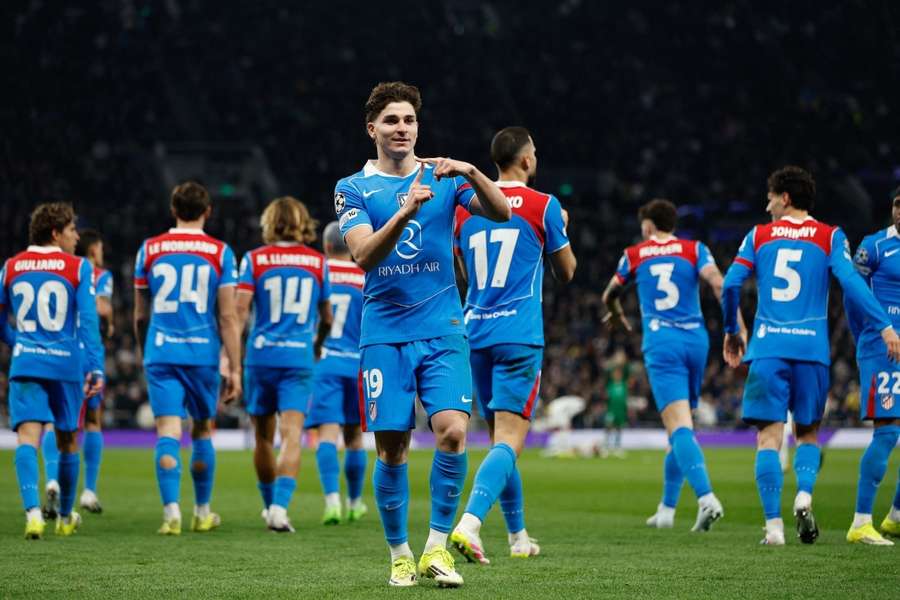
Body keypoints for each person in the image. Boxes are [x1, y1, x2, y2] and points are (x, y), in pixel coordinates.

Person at [335, 81, 510, 587]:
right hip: (384, 333)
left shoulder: (444, 178)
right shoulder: (352, 188)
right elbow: (364, 255)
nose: (401, 129)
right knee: (392, 448)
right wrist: (405, 210)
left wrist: (472, 172)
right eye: (391, 121)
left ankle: (437, 548)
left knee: (454, 431)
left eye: (409, 120)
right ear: (372, 129)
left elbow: (503, 213)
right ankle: (399, 554)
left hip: (443, 328)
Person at [722, 166, 900, 545]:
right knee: (807, 435)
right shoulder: (830, 236)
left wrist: (731, 330)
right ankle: (804, 495)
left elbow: (732, 282)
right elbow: (851, 281)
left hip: (768, 348)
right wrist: (884, 325)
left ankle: (773, 529)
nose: (766, 205)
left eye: (770, 198)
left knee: (769, 439)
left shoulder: (759, 235)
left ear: (785, 198)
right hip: (811, 350)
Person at [448, 126, 575, 565]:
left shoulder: (468, 209)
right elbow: (567, 271)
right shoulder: (545, 206)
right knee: (510, 441)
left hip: (475, 333)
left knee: (500, 441)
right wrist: (562, 231)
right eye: (534, 152)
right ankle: (469, 524)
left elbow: (462, 269)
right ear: (525, 160)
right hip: (519, 336)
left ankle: (518, 536)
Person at [602, 198, 730, 531]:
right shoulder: (694, 249)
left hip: (663, 344)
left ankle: (706, 498)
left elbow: (609, 294)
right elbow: (718, 282)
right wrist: (734, 325)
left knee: (679, 427)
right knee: (681, 427)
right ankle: (667, 510)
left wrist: (616, 314)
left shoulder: (636, 253)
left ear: (647, 227)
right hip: (697, 342)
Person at [133, 181, 242, 535]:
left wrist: (143, 347)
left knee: (167, 430)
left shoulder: (149, 249)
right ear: (207, 211)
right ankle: (202, 511)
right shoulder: (220, 252)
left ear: (173, 210)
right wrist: (235, 367)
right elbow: (227, 316)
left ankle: (170, 514)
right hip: (201, 353)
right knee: (201, 431)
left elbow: (139, 316)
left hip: (161, 350)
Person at [1, 202, 104, 539]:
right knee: (67, 440)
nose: (77, 236)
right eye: (72, 230)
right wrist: (95, 367)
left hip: (27, 362)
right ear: (56, 233)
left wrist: (20, 341)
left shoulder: (11, 267)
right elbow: (88, 322)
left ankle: (32, 513)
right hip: (66, 364)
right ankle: (63, 517)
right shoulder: (79, 267)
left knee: (27, 439)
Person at [236, 197, 332, 533]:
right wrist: (316, 343)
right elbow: (327, 318)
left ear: (269, 222)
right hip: (298, 357)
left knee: (263, 437)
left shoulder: (254, 260)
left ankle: (268, 506)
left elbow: (238, 314)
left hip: (260, 357)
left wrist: (231, 361)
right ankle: (279, 507)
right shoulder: (318, 263)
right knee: (293, 436)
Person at [845, 186, 900, 545]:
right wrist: (867, 337)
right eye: (897, 203)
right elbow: (854, 295)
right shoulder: (874, 247)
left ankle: (895, 517)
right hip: (884, 349)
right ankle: (860, 523)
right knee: (888, 430)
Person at [305, 221, 368, 526]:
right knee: (355, 437)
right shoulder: (365, 277)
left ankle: (332, 503)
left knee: (326, 435)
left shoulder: (319, 275)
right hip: (357, 364)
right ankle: (355, 503)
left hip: (325, 363)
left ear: (326, 247)